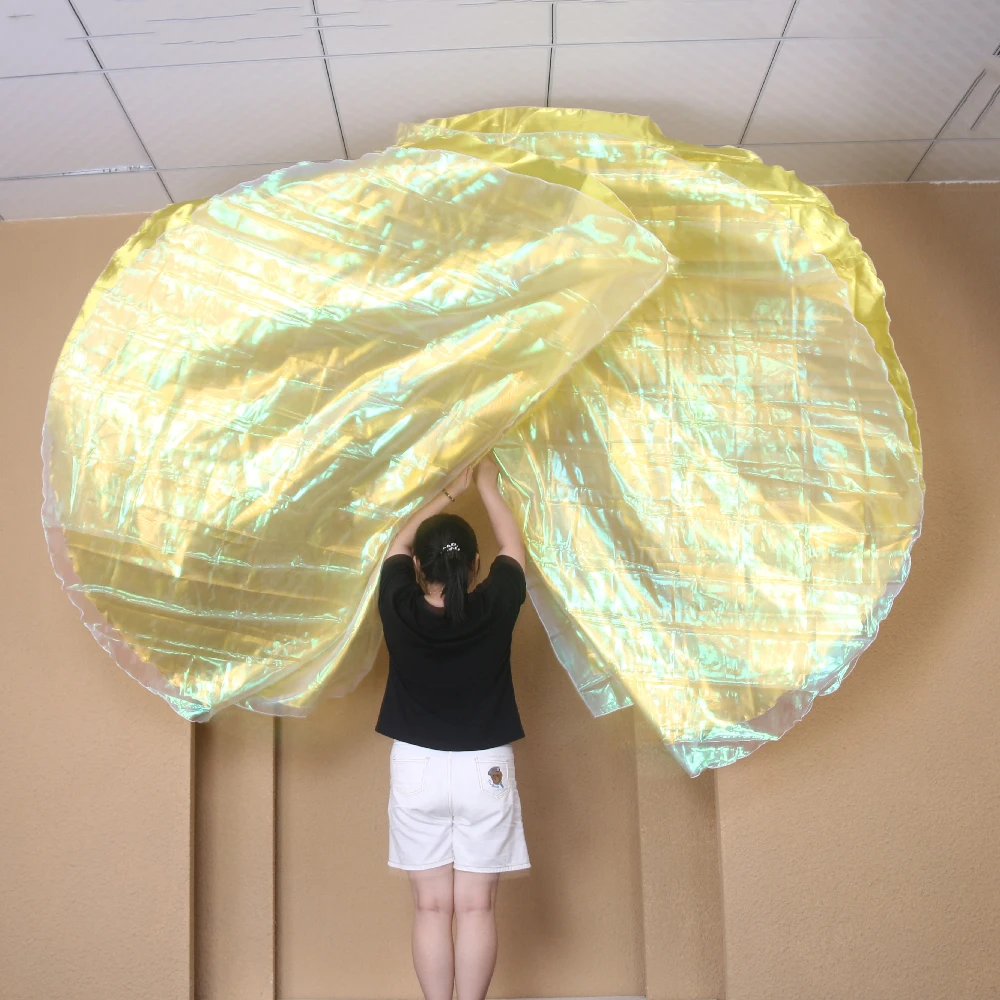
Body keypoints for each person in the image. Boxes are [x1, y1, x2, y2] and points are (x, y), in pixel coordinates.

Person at [375, 455, 529, 1000]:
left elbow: (396, 540)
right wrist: (487, 483)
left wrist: (449, 490)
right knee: (476, 907)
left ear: (418, 568)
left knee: (431, 907)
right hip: (485, 768)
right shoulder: (496, 605)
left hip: (415, 767)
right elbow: (516, 551)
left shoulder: (398, 603)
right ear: (477, 564)